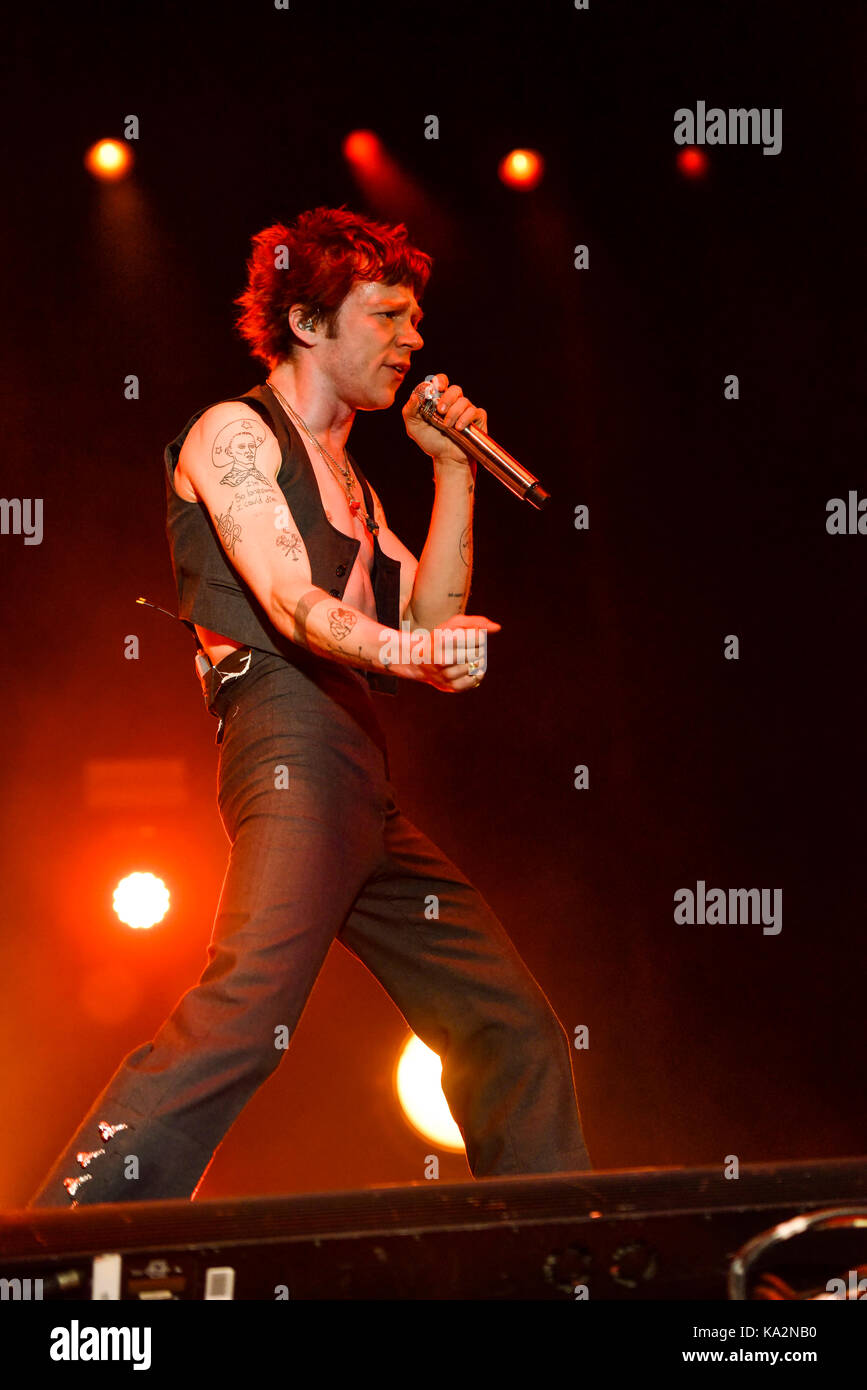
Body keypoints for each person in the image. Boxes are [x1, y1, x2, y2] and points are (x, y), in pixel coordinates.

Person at [27, 206, 591, 1209]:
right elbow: (295, 605)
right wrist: (413, 654)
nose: (413, 340)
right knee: (246, 1014)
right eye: (388, 315)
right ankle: (66, 1240)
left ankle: (549, 1253)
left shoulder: (360, 489)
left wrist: (452, 466)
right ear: (306, 321)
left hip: (360, 776)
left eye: (416, 318)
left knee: (508, 1023)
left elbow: (429, 610)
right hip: (287, 739)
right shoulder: (234, 434)